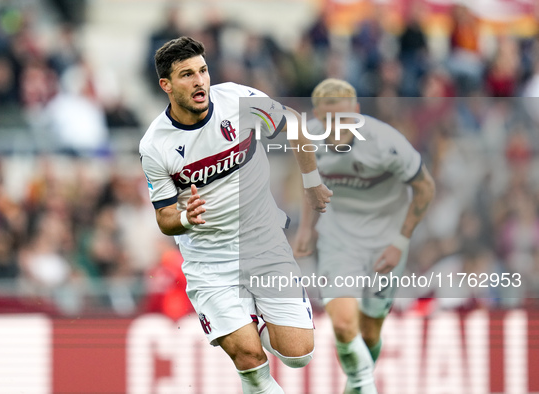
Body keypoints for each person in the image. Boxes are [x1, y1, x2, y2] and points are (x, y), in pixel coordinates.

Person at [139, 36, 332, 394]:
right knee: (249, 359)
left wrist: (312, 182)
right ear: (166, 85)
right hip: (210, 260)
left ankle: (254, 319)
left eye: (203, 70)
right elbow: (164, 216)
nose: (199, 81)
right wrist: (183, 219)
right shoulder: (155, 146)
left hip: (265, 242)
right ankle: (244, 328)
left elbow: (292, 123)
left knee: (298, 355)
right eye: (186, 75)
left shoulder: (238, 102)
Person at [294, 79, 436, 393]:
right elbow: (310, 185)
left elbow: (425, 187)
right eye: (328, 119)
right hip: (338, 239)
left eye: (344, 118)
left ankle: (354, 386)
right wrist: (306, 228)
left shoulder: (385, 142)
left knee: (369, 333)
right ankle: (363, 383)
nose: (337, 127)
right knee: (344, 324)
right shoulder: (308, 141)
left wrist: (401, 241)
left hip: (386, 243)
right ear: (317, 115)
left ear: (357, 112)